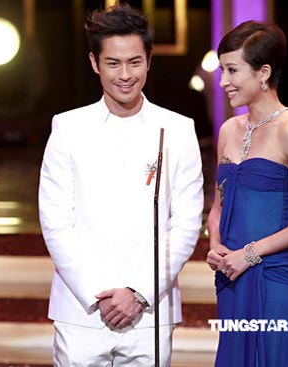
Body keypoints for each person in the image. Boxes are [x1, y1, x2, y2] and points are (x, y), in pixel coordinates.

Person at [38, 3, 204, 366]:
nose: (125, 74)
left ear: (148, 61)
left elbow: (187, 223)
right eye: (113, 63)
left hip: (150, 311)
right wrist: (99, 295)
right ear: (95, 63)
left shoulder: (177, 129)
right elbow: (55, 221)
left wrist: (139, 292)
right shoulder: (68, 128)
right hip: (82, 309)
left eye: (134, 62)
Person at [206, 20, 288, 366]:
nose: (223, 82)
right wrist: (216, 245)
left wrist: (249, 254)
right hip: (231, 280)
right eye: (222, 70)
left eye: (232, 70)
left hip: (276, 281)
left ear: (263, 72)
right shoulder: (228, 129)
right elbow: (217, 206)